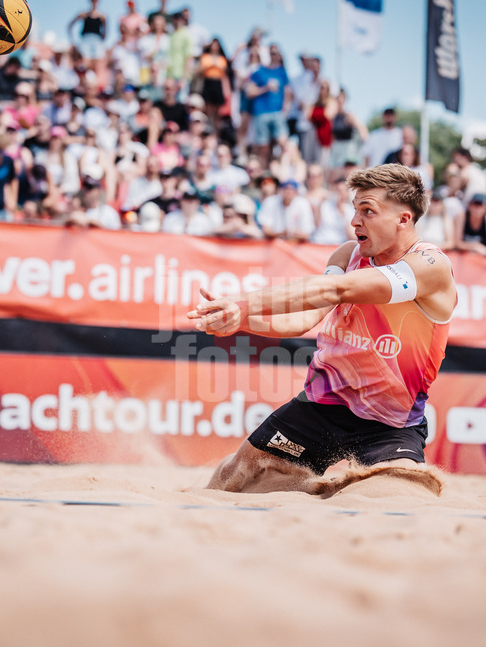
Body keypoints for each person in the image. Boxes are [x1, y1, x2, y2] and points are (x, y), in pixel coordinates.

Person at [190, 164, 457, 494]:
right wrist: (240, 320)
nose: (355, 221)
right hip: (321, 405)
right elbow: (303, 319)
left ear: (403, 219)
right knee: (237, 475)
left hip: (390, 423)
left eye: (368, 211)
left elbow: (335, 290)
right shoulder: (347, 254)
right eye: (354, 209)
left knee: (399, 494)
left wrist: (244, 303)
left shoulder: (431, 266)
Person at [68, 0, 107, 74]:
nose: (94, 2)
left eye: (95, 0)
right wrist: (72, 41)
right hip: (86, 40)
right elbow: (70, 25)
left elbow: (105, 32)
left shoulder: (102, 16)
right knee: (86, 63)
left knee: (97, 64)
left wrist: (101, 42)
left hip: (97, 41)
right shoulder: (84, 14)